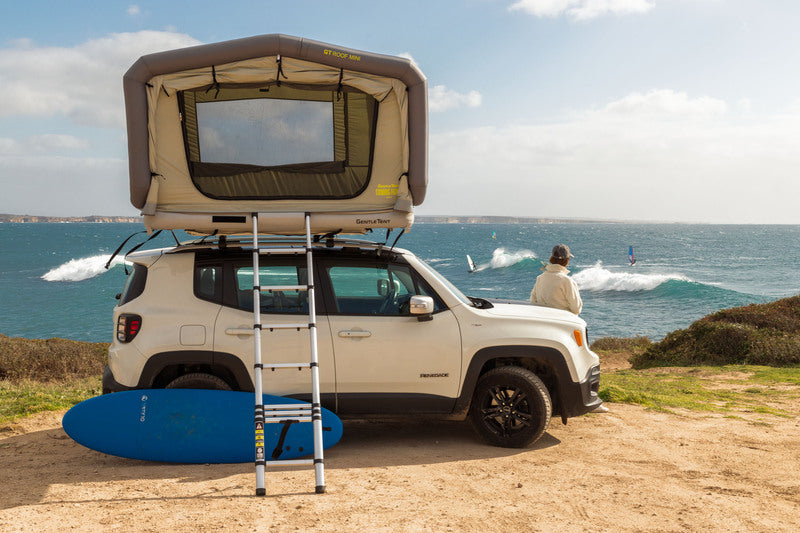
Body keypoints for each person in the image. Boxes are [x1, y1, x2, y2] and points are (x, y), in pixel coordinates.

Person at [530, 244, 582, 315]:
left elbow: (533, 301)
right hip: (561, 321)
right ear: (567, 260)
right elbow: (576, 309)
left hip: (543, 319)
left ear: (552, 258)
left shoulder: (540, 278)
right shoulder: (566, 281)